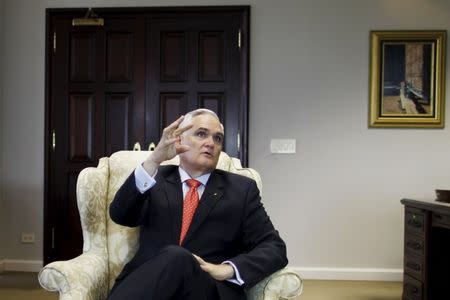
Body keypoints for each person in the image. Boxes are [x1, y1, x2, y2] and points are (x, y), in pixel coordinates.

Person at [108, 109, 287, 300]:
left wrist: (226, 269)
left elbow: (274, 247)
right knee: (175, 256)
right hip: (150, 287)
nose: (210, 143)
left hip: (206, 290)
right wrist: (154, 160)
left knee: (178, 257)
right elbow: (120, 214)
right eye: (201, 134)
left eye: (217, 138)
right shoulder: (154, 178)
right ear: (179, 140)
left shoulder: (241, 190)